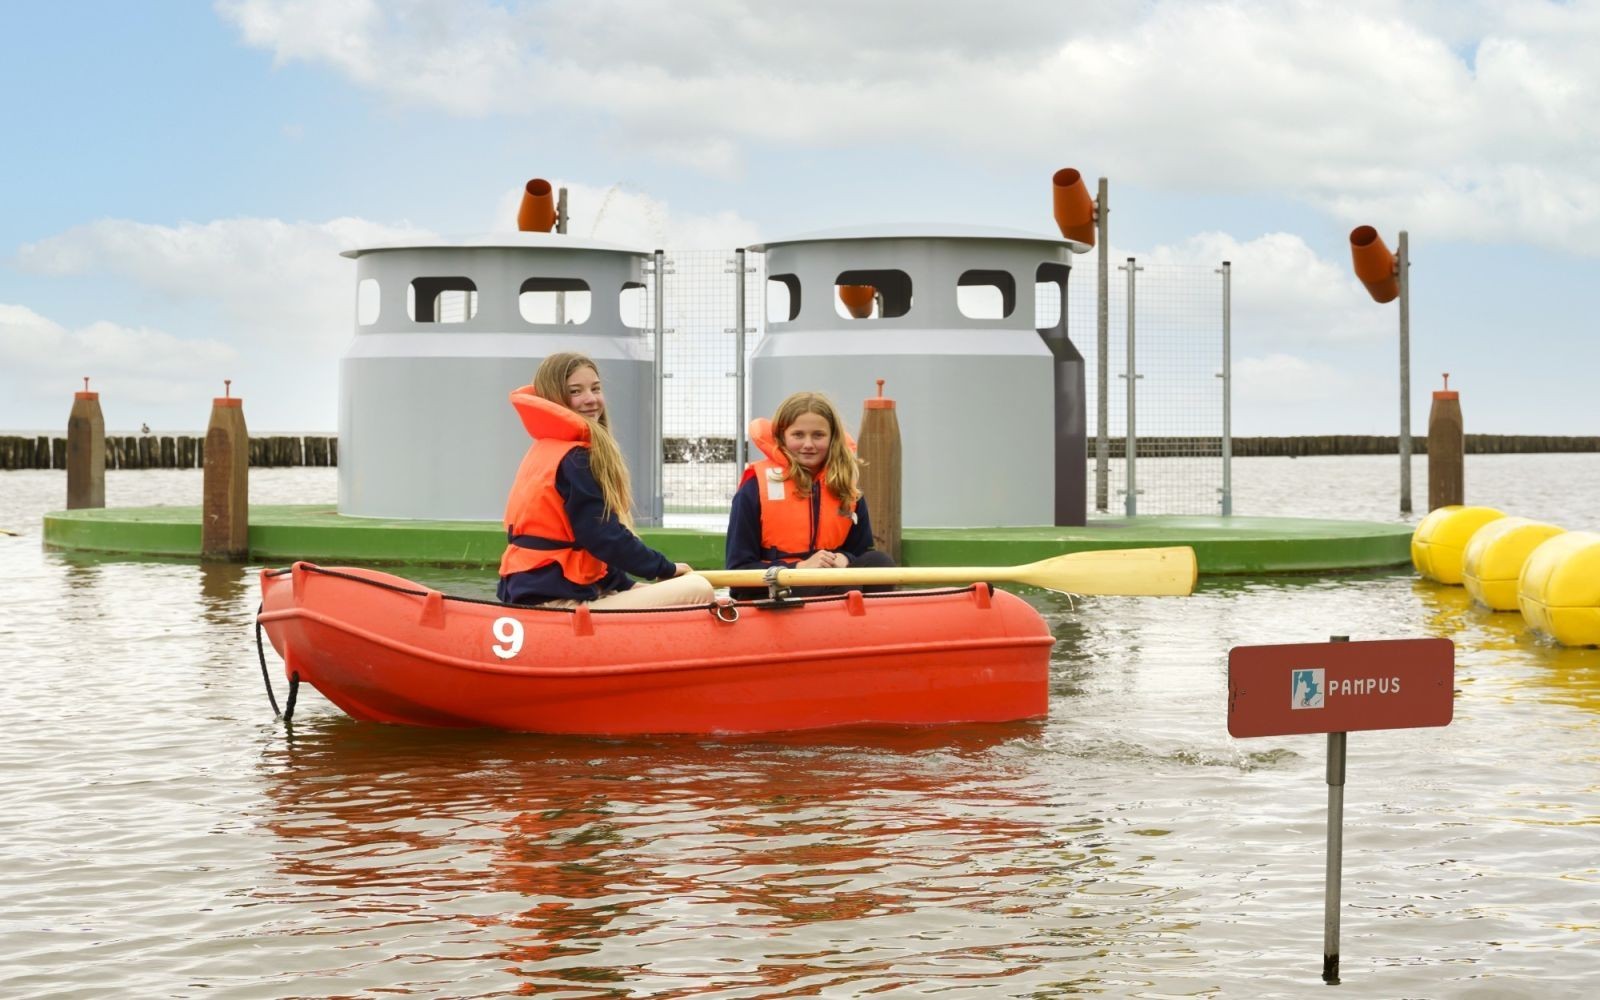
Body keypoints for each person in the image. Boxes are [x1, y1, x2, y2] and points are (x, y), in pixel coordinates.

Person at [497, 352, 714, 609]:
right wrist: (663, 568)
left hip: (537, 592)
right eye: (576, 391)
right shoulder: (576, 458)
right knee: (699, 588)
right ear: (554, 398)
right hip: (556, 602)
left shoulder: (547, 449)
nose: (591, 399)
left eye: (596, 388)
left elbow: (585, 542)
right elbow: (604, 536)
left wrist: (625, 584)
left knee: (663, 590)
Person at [724, 391, 895, 599]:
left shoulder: (847, 490)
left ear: (832, 438)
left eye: (818, 435)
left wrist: (845, 558)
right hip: (776, 588)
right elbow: (737, 572)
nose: (808, 444)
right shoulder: (753, 489)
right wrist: (800, 568)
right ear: (782, 437)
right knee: (840, 587)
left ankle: (868, 624)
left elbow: (861, 551)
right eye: (798, 435)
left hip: (832, 580)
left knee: (880, 563)